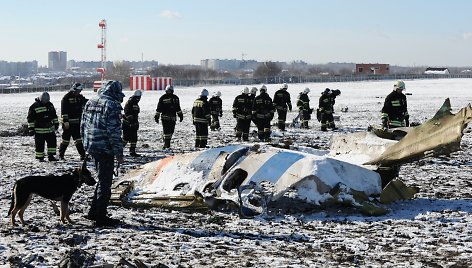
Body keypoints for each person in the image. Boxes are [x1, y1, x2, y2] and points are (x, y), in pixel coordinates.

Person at [81, 80, 125, 227]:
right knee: (105, 183)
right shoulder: (112, 106)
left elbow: (83, 125)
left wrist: (86, 145)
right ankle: (100, 216)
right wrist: (119, 152)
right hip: (105, 149)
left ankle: (94, 212)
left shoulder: (91, 101)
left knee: (102, 179)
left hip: (92, 146)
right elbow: (114, 132)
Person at [59, 82, 88, 160]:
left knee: (79, 140)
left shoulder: (79, 97)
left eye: (79, 91)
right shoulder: (66, 98)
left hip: (77, 123)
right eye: (78, 91)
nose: (78, 93)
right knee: (65, 140)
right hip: (68, 124)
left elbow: (86, 102)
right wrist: (65, 122)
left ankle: (82, 155)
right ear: (74, 90)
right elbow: (64, 111)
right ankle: (61, 155)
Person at [27, 91, 60, 161]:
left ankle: (51, 156)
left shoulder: (50, 105)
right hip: (39, 130)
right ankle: (40, 157)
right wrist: (31, 129)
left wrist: (56, 123)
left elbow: (54, 115)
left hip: (50, 129)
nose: (46, 102)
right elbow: (30, 118)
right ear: (41, 99)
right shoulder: (34, 106)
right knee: (39, 145)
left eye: (47, 101)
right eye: (44, 101)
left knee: (52, 143)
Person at [154, 85, 183, 149]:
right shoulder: (163, 97)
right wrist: (157, 116)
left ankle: (166, 141)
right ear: (166, 91)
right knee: (167, 131)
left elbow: (178, 107)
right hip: (165, 117)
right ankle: (167, 144)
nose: (169, 92)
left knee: (171, 131)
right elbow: (159, 108)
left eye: (170, 91)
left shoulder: (176, 98)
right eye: (168, 90)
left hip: (173, 117)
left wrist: (180, 115)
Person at [122, 90, 142, 156]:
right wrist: (131, 122)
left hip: (133, 124)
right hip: (127, 124)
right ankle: (118, 151)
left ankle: (132, 152)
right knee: (125, 138)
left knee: (134, 138)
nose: (139, 99)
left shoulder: (135, 103)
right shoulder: (130, 102)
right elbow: (127, 113)